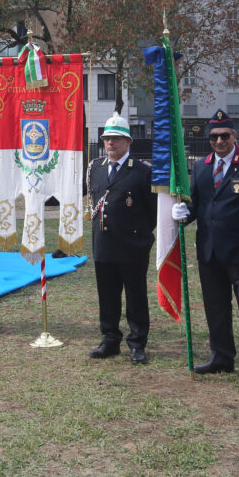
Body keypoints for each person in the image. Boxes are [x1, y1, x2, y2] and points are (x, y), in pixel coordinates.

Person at [172, 109, 239, 385]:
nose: (219, 141)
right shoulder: (203, 166)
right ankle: (221, 356)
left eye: (224, 136)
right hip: (209, 251)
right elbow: (197, 204)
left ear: (235, 136)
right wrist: (184, 212)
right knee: (215, 308)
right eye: (214, 137)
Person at [87, 113, 158, 364]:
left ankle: (137, 343)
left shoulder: (141, 171)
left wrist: (137, 235)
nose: (110, 144)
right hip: (103, 245)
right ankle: (110, 339)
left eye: (116, 139)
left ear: (128, 142)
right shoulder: (95, 168)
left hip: (132, 246)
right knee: (107, 296)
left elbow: (153, 214)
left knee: (136, 297)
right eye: (107, 139)